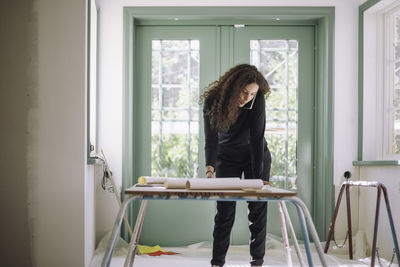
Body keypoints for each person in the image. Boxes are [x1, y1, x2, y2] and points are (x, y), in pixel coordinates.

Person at [201, 64, 272, 267]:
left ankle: (257, 262)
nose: (247, 97)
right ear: (233, 86)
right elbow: (211, 140)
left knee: (257, 209)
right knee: (224, 211)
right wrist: (210, 170)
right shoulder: (213, 101)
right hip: (227, 156)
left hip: (254, 155)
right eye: (244, 92)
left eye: (251, 94)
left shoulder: (257, 99)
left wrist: (259, 178)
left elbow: (257, 139)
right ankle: (217, 262)